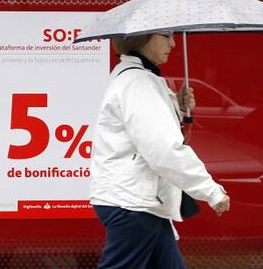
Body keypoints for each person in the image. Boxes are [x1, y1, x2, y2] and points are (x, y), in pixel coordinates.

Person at [90, 32, 230, 269]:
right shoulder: (138, 83)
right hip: (134, 204)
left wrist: (175, 103)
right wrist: (211, 191)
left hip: (141, 202)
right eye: (166, 36)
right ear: (141, 38)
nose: (173, 43)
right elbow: (164, 149)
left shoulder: (139, 78)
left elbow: (149, 132)